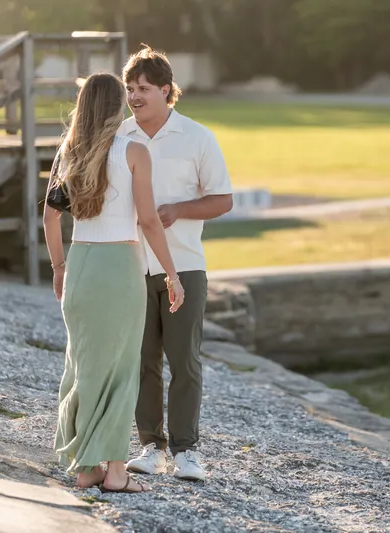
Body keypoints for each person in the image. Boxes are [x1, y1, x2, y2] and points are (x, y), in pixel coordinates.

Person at [43, 72, 185, 494]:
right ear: (115, 107)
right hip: (120, 266)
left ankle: (87, 467)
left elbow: (51, 217)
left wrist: (58, 267)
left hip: (81, 263)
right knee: (121, 370)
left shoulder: (66, 154)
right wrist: (172, 274)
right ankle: (117, 473)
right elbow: (147, 221)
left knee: (84, 367)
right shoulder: (134, 151)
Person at [119, 46, 233, 482]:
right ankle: (151, 446)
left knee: (184, 363)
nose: (134, 96)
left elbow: (223, 200)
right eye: (130, 89)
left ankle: (187, 451)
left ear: (167, 91)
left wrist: (179, 209)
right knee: (141, 360)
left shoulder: (198, 137)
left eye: (143, 89)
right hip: (129, 263)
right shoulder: (119, 136)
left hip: (183, 265)